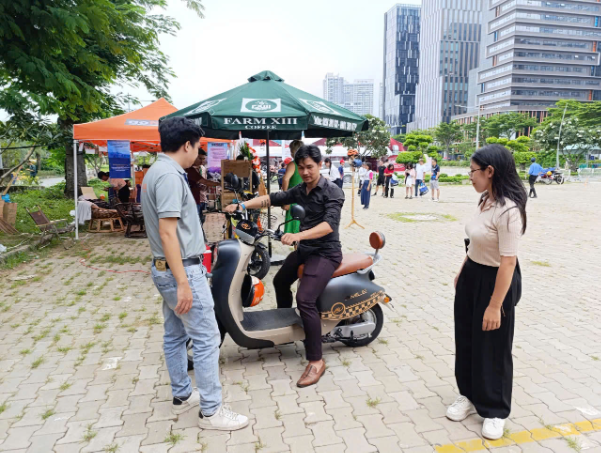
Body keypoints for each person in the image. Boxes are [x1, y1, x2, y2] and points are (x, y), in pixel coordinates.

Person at [141, 117, 248, 431]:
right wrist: (185, 283)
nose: (199, 153)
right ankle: (212, 412)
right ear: (186, 144)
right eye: (198, 147)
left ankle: (181, 394)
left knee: (175, 334)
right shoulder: (171, 176)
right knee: (206, 337)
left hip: (165, 269)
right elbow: (168, 232)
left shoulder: (156, 171)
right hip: (180, 269)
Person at [224, 144, 344, 388]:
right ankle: (288, 326)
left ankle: (316, 359)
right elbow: (271, 198)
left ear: (320, 165)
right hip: (306, 251)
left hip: (326, 253)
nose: (306, 172)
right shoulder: (300, 190)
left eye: (310, 167)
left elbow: (329, 225)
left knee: (305, 299)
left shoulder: (333, 191)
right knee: (279, 281)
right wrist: (242, 206)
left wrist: (298, 236)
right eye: (301, 168)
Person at [449, 144, 526, 441]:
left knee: (493, 345)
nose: (470, 176)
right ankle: (468, 395)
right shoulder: (485, 200)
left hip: (497, 281)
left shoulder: (509, 210)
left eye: (473, 171)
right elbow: (476, 242)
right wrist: (463, 268)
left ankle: (495, 410)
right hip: (472, 275)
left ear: (490, 172)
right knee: (466, 337)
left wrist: (495, 306)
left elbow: (508, 261)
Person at [185, 151, 219, 223]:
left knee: (201, 221)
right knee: (196, 223)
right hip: (192, 201)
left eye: (203, 159)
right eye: (200, 158)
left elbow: (205, 182)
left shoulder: (202, 169)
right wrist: (220, 184)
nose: (202, 161)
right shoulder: (189, 169)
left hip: (201, 199)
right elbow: (205, 181)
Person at [282, 140, 305, 234]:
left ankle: (298, 247)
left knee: (295, 227)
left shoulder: (293, 164)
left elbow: (285, 179)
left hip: (295, 199)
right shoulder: (308, 163)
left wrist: (285, 198)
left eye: (291, 151)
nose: (291, 153)